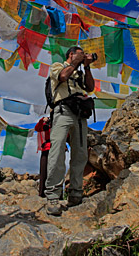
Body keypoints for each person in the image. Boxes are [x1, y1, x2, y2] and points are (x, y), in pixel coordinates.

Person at [45, 46, 95, 216]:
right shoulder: (57, 66)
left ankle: (75, 192)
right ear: (71, 54)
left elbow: (90, 87)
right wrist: (75, 62)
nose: (83, 56)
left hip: (80, 114)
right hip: (63, 111)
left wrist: (87, 66)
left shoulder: (79, 73)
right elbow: (63, 76)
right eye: (81, 53)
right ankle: (53, 195)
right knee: (57, 150)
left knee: (80, 153)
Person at [34, 117, 51, 198]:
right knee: (43, 170)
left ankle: (56, 193)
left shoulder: (59, 124)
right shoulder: (45, 124)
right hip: (47, 148)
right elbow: (37, 128)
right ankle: (42, 193)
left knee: (56, 171)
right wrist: (42, 120)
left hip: (56, 148)